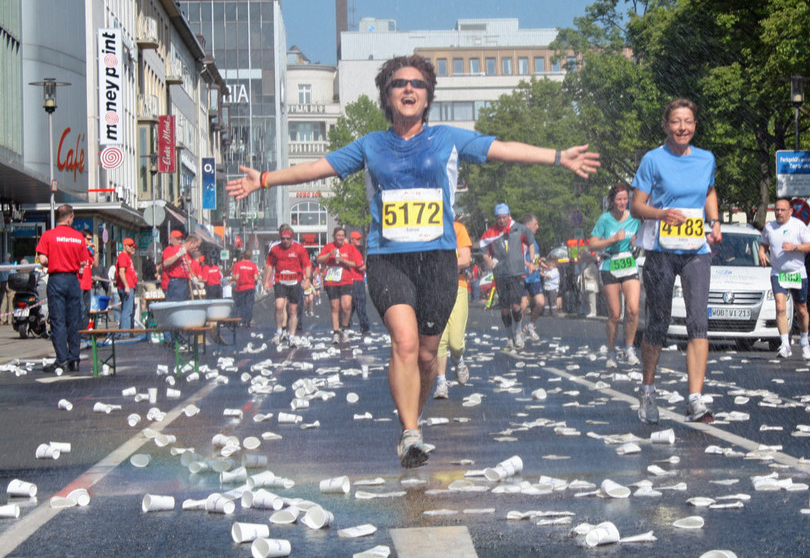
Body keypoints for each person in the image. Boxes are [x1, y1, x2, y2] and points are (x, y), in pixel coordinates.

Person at [226, 54, 598, 467]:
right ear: (387, 95)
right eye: (399, 83)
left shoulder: (447, 139)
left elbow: (503, 149)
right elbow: (316, 168)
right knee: (403, 342)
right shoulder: (371, 145)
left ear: (427, 96)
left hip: (437, 262)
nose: (408, 89)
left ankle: (413, 420)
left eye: (417, 84)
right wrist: (264, 179)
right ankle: (409, 432)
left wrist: (557, 156)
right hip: (389, 260)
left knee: (425, 355)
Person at [631, 98, 722, 424]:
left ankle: (695, 399)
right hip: (661, 251)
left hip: (696, 250)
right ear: (666, 126)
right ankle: (648, 389)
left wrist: (714, 222)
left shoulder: (706, 158)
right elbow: (635, 207)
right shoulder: (653, 160)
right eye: (676, 122)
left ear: (695, 125)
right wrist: (661, 214)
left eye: (688, 122)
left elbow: (709, 191)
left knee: (699, 322)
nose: (682, 128)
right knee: (659, 322)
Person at [589, 183, 642, 368]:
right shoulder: (605, 219)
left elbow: (645, 234)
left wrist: (638, 239)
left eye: (625, 199)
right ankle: (611, 352)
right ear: (612, 201)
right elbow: (592, 245)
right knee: (614, 314)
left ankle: (629, 347)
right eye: (619, 199)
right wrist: (612, 239)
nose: (622, 202)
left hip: (628, 263)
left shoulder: (634, 217)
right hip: (609, 264)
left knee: (633, 309)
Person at [758, 198, 810, 360]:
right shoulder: (769, 227)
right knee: (780, 307)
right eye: (777, 209)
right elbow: (764, 243)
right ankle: (785, 344)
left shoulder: (798, 226)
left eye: (782, 210)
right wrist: (761, 252)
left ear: (790, 211)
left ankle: (805, 341)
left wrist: (796, 247)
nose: (779, 213)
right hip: (778, 273)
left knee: (802, 309)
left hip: (797, 272)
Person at [35, 204, 90, 373]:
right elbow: (83, 261)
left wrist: (55, 259)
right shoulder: (78, 237)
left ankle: (62, 360)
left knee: (58, 321)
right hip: (73, 280)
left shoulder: (48, 235)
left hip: (57, 279)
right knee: (74, 321)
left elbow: (42, 260)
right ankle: (74, 359)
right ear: (69, 218)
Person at [481, 204, 537, 350]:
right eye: (499, 218)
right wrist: (488, 261)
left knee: (516, 305)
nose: (501, 220)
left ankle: (518, 332)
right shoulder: (491, 232)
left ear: (509, 215)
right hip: (500, 272)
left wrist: (532, 262)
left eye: (504, 217)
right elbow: (483, 248)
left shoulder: (518, 228)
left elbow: (531, 242)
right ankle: (509, 336)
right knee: (505, 308)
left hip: (516, 271)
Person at [434, 219, 473, 399]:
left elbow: (465, 260)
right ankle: (441, 382)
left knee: (455, 342)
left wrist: (440, 264)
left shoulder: (458, 229)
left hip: (457, 286)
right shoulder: (427, 230)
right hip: (434, 287)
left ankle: (458, 359)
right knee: (439, 339)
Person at [264, 224, 312, 345]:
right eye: (283, 238)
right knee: (279, 306)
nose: (285, 241)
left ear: (292, 238)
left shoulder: (299, 249)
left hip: (295, 282)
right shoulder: (275, 249)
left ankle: (291, 335)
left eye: (288, 238)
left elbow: (307, 265)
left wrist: (308, 279)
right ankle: (279, 331)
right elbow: (269, 265)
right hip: (280, 280)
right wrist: (266, 281)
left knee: (293, 309)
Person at [317, 227, 362, 344]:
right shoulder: (328, 247)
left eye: (342, 235)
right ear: (334, 236)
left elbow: (355, 264)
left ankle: (345, 328)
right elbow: (319, 260)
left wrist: (343, 260)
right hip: (332, 280)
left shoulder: (350, 248)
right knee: (334, 307)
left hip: (346, 279)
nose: (340, 237)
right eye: (338, 235)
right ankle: (336, 332)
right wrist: (328, 254)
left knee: (346, 306)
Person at [519, 214, 545, 342]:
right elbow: (519, 258)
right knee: (523, 306)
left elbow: (534, 257)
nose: (537, 227)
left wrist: (540, 262)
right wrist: (529, 264)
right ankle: (518, 331)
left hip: (534, 276)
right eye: (535, 224)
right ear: (527, 225)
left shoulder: (533, 239)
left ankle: (530, 326)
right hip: (523, 276)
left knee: (540, 302)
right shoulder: (522, 239)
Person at [162, 231, 201, 302]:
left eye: (181, 239)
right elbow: (165, 263)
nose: (196, 249)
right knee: (177, 307)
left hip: (185, 283)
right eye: (196, 246)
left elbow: (189, 270)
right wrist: (178, 254)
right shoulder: (174, 249)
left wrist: (194, 278)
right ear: (191, 243)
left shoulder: (190, 255)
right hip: (176, 283)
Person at [348, 230, 372, 335]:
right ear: (352, 240)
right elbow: (360, 267)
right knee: (360, 302)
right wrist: (371, 266)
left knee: (352, 304)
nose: (359, 241)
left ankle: (346, 324)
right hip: (357, 279)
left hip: (353, 279)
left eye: (359, 239)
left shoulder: (350, 249)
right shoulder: (354, 250)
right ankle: (364, 325)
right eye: (357, 239)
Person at [230, 250, 260, 327]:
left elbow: (236, 277)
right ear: (250, 257)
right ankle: (247, 321)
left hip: (240, 287)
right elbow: (256, 278)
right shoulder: (253, 265)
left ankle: (240, 320)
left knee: (240, 305)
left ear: (243, 256)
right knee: (249, 305)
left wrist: (231, 278)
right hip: (250, 287)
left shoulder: (238, 264)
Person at [115, 238, 139, 331]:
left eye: (133, 246)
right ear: (124, 246)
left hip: (129, 286)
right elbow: (121, 272)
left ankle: (127, 331)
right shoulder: (123, 256)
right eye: (130, 246)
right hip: (127, 287)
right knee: (127, 311)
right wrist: (126, 286)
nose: (132, 248)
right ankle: (125, 333)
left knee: (129, 310)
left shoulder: (127, 257)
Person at [80, 230, 95, 324]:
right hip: (79, 283)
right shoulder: (78, 249)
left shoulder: (89, 251)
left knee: (87, 309)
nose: (90, 241)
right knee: (81, 309)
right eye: (88, 239)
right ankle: (79, 333)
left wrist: (95, 251)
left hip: (88, 284)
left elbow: (95, 263)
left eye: (91, 239)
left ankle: (84, 333)